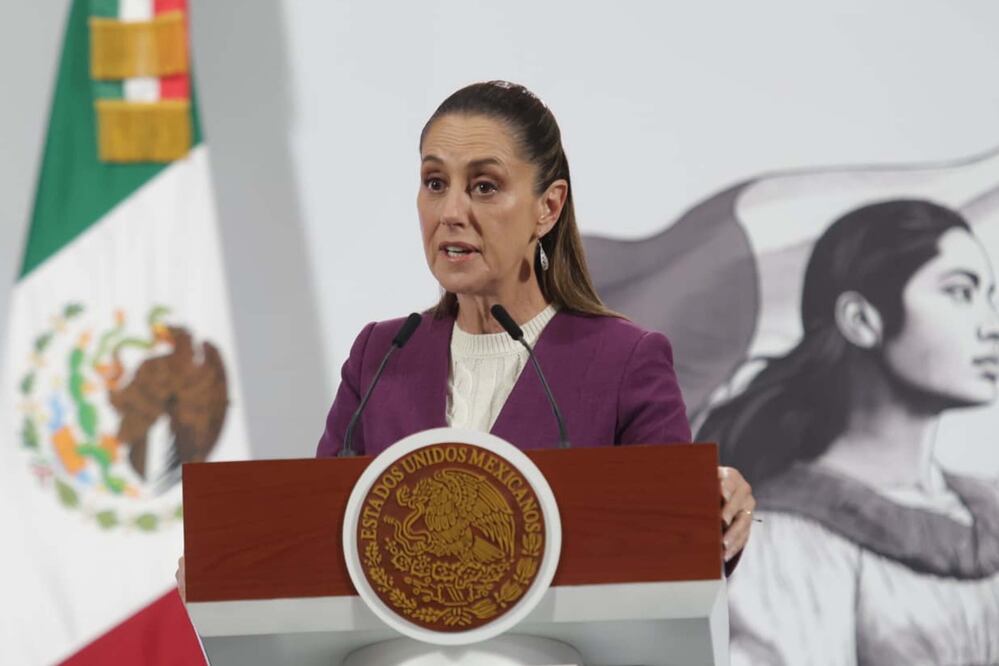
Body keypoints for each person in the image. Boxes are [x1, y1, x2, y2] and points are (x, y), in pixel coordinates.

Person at [178, 81, 755, 600]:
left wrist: (717, 509)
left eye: (484, 186)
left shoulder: (623, 361)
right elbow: (319, 540)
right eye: (435, 183)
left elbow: (680, 552)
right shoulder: (381, 356)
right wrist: (228, 570)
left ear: (547, 207)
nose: (451, 212)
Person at [698, 199, 999, 665]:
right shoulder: (786, 535)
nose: (992, 325)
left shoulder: (986, 505)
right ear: (862, 320)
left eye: (991, 297)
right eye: (960, 292)